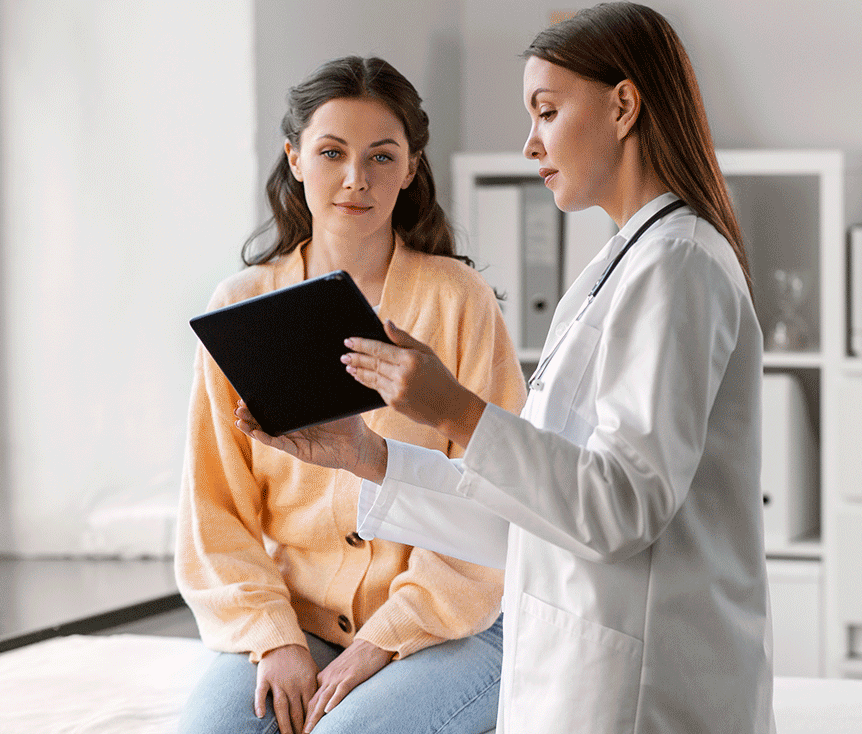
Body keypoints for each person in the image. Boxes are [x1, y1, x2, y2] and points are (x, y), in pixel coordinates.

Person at [235, 3, 774, 732]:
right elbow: (534, 517)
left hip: (645, 692)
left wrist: (454, 410)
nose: (530, 144)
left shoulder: (679, 265)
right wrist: (370, 457)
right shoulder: (618, 269)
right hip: (579, 672)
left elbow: (621, 509)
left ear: (623, 106)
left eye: (547, 112)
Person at [177, 56, 527, 734]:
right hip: (294, 618)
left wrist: (379, 642)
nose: (355, 179)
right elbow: (212, 510)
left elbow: (498, 494)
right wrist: (274, 637)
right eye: (332, 152)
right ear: (295, 157)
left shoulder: (459, 302)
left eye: (381, 156)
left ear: (412, 166)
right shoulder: (242, 307)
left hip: (454, 620)